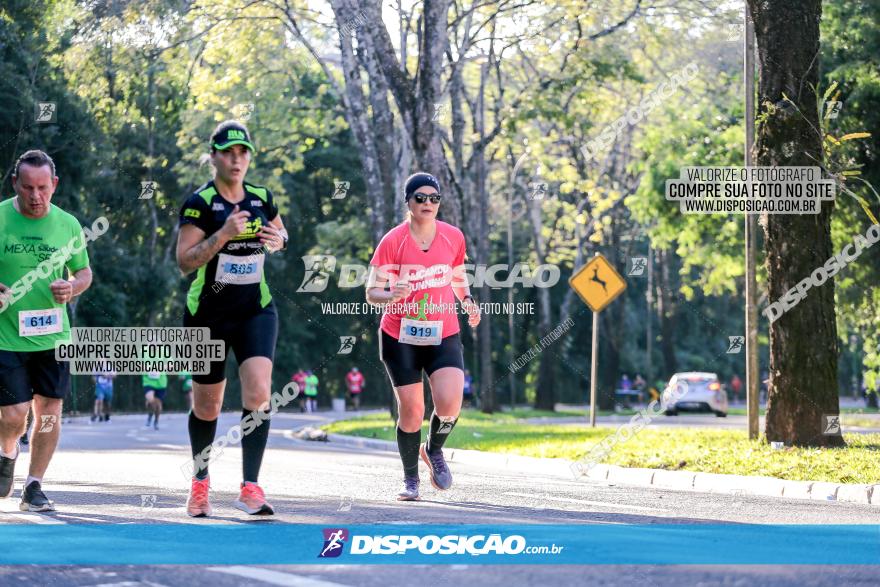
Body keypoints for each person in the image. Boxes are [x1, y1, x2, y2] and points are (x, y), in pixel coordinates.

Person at [176, 120, 287, 517]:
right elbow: (185, 262)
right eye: (228, 152)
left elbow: (281, 232)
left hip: (255, 309)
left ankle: (250, 487)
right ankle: (201, 484)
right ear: (214, 157)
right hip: (206, 314)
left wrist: (279, 239)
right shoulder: (199, 203)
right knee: (208, 405)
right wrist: (222, 234)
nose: (237, 159)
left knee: (258, 390)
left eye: (243, 153)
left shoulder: (260, 197)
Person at [366, 172, 481, 501]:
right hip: (399, 336)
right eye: (421, 197)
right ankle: (410, 479)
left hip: (443, 332)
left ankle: (434, 449)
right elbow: (372, 292)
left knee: (450, 404)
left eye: (434, 198)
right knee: (413, 411)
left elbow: (458, 276)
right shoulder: (393, 241)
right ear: (408, 202)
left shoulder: (453, 237)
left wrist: (468, 301)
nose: (428, 203)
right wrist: (390, 294)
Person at [0, 149, 94, 511]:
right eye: (27, 188)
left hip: (53, 334)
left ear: (54, 184)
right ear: (15, 184)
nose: (35, 197)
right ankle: (8, 451)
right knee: (13, 413)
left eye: (42, 188)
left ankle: (34, 486)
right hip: (7, 334)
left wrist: (73, 287)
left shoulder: (68, 225)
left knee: (50, 409)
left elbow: (84, 272)